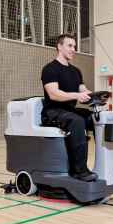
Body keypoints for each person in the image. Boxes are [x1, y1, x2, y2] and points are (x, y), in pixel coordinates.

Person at [41, 33, 97, 182]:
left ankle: (103, 164)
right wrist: (77, 96)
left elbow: (83, 90)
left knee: (97, 119)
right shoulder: (50, 69)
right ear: (59, 47)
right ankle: (79, 171)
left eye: (74, 46)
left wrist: (95, 97)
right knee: (77, 121)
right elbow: (54, 94)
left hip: (69, 111)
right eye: (70, 46)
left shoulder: (76, 71)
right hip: (53, 111)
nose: (73, 49)